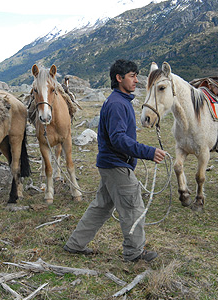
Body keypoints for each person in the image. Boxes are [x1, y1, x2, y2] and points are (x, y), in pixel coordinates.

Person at [63, 59, 166, 262]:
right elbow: (118, 139)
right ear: (119, 78)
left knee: (101, 206)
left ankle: (75, 244)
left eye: (136, 75)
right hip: (117, 166)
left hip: (109, 164)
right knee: (133, 207)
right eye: (132, 76)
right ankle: (134, 252)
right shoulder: (119, 104)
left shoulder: (117, 101)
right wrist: (148, 152)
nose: (136, 80)